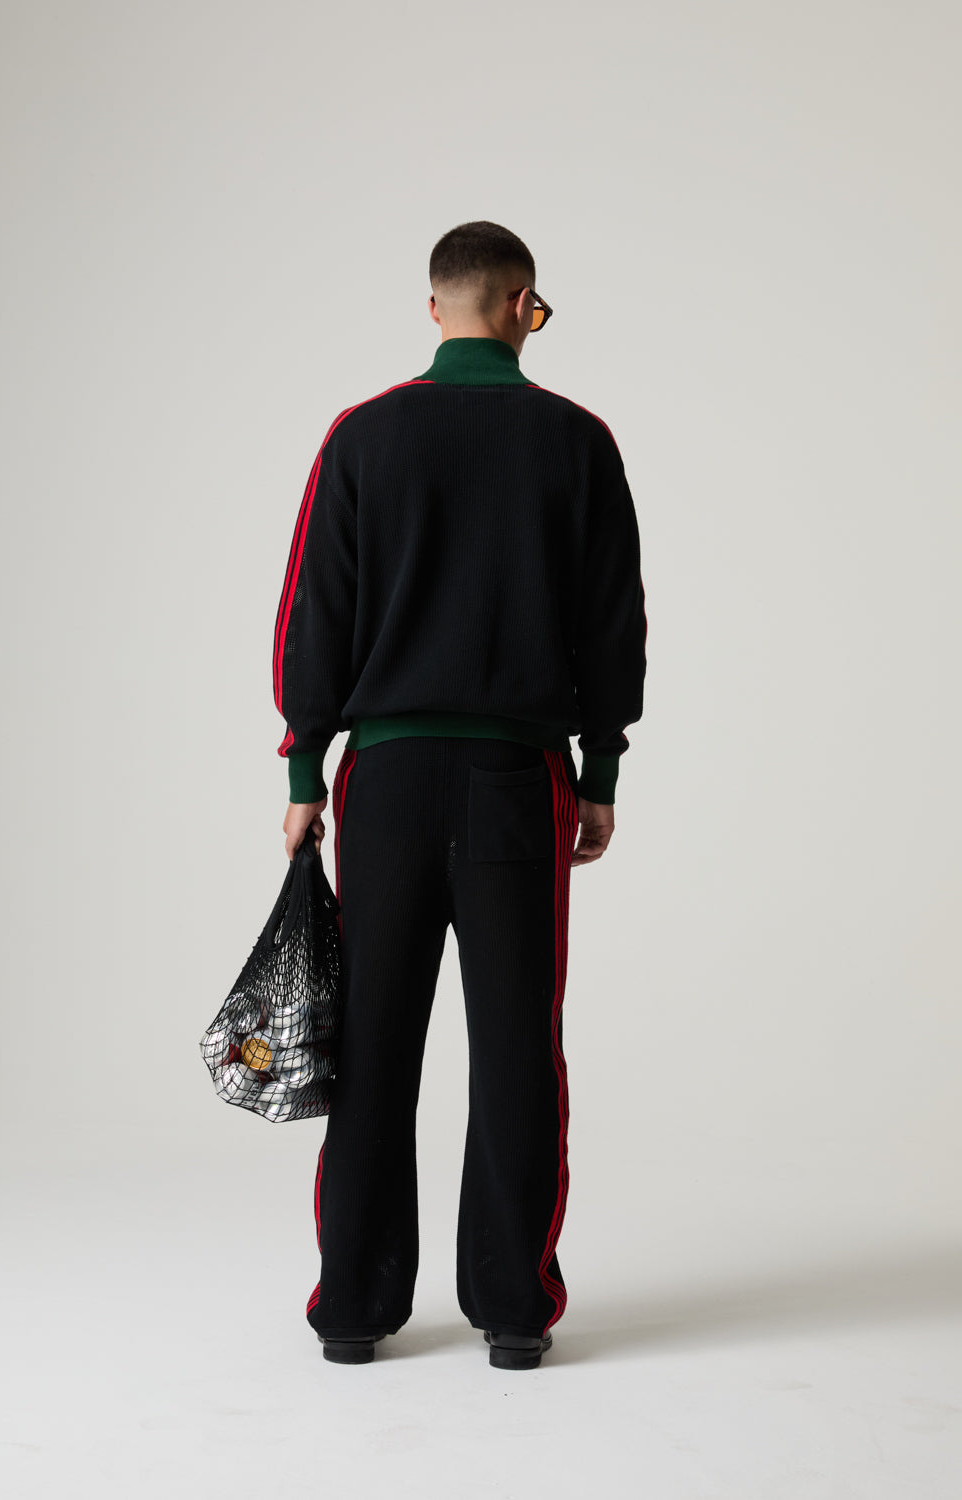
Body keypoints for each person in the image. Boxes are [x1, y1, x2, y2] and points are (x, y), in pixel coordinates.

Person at [272, 220, 647, 1370]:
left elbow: (311, 616)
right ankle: (514, 1311)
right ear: (524, 307)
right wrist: (597, 773)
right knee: (516, 1045)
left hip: (379, 780)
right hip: (512, 781)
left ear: (434, 308)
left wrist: (303, 772)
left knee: (371, 1043)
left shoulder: (363, 436)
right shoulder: (575, 441)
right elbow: (611, 623)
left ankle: (352, 1311)